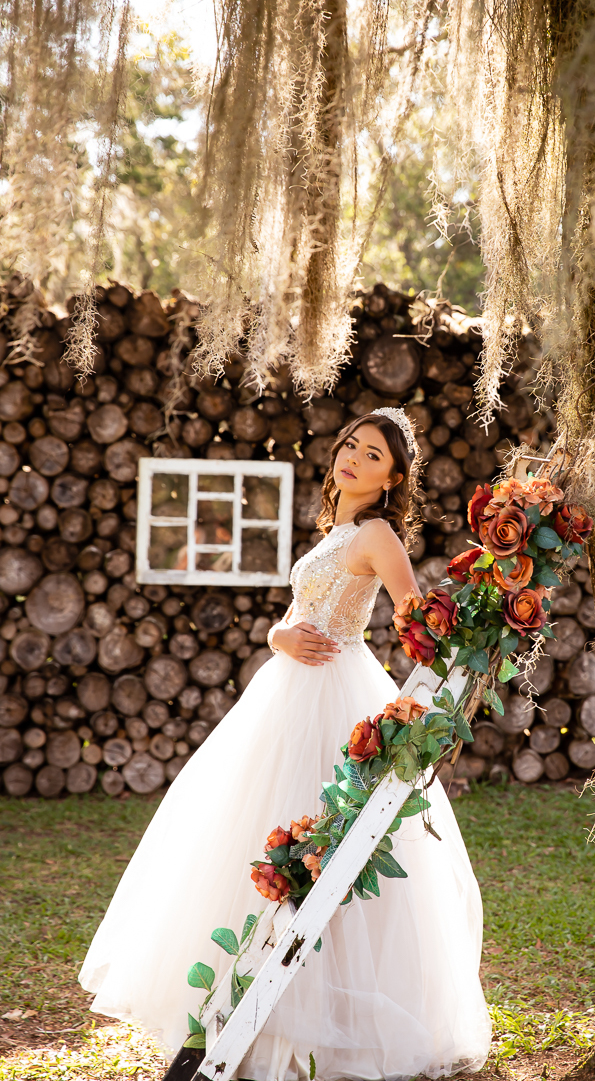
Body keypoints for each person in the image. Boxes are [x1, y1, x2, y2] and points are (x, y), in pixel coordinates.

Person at [79, 408, 492, 1081]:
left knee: (323, 845)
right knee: (254, 837)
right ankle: (237, 1008)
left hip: (338, 693)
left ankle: (317, 1031)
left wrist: (425, 675)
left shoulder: (378, 533)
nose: (354, 457)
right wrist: (280, 638)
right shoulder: (334, 531)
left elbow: (414, 617)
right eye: (352, 445)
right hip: (285, 691)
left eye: (374, 455)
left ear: (393, 477)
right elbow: (290, 621)